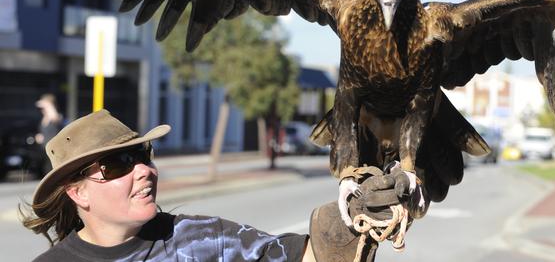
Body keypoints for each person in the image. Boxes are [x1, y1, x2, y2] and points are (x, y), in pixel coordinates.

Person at [20, 110, 414, 261]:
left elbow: (309, 257)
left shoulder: (203, 239)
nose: (144, 170)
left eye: (145, 155)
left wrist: (354, 218)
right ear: (78, 191)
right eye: (119, 163)